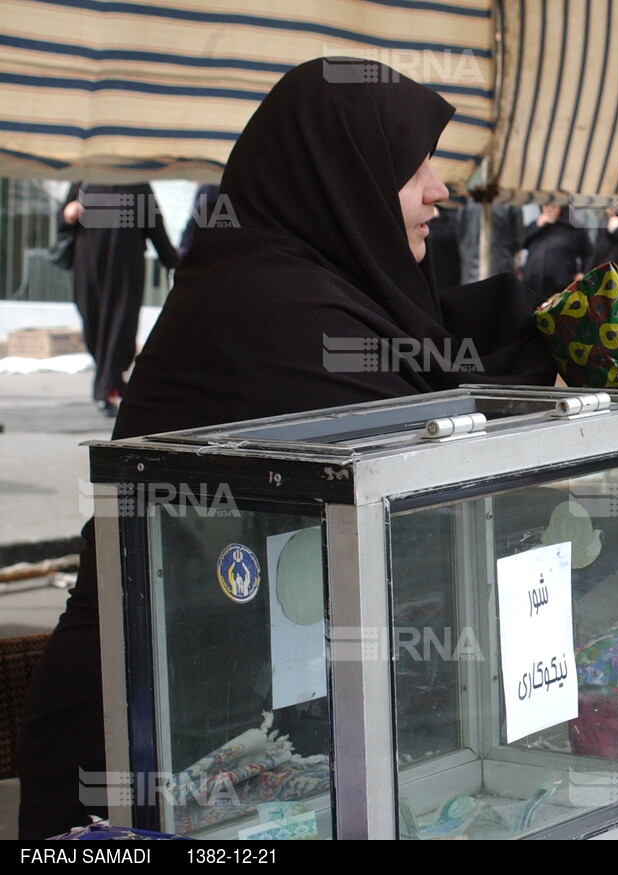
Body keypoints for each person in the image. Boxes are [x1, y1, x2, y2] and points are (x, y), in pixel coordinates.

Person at [18, 56, 556, 840]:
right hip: (151, 760)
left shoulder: (310, 284)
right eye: (413, 167)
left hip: (246, 735)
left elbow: (438, 349)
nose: (440, 189)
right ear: (342, 179)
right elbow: (431, 461)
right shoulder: (272, 309)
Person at [59, 181, 180, 416]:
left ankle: (107, 388)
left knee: (119, 325)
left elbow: (155, 225)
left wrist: (175, 264)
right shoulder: (84, 181)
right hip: (88, 268)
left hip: (125, 268)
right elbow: (62, 221)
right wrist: (68, 214)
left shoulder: (137, 184)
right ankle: (111, 381)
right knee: (92, 326)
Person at [520, 204, 592, 297]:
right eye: (546, 206)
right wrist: (537, 225)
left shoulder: (572, 228)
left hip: (560, 285)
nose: (549, 208)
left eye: (553, 206)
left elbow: (588, 252)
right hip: (533, 285)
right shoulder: (536, 226)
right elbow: (520, 243)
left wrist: (583, 273)